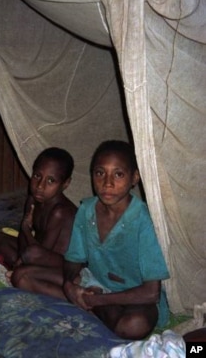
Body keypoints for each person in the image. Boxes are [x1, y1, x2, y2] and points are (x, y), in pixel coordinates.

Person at [62, 140, 170, 340]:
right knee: (25, 276)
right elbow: (73, 260)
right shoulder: (87, 210)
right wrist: (69, 285)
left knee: (133, 325)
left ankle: (92, 306)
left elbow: (151, 293)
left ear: (134, 178)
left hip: (133, 297)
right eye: (100, 173)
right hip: (95, 282)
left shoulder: (142, 219)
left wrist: (99, 300)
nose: (107, 183)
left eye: (118, 174)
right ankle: (89, 302)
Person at [0, 147, 77, 275]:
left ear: (65, 184)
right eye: (37, 176)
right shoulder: (33, 199)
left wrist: (25, 228)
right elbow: (24, 241)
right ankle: (20, 267)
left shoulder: (60, 212)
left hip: (61, 264)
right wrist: (21, 257)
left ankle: (22, 270)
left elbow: (41, 252)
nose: (40, 186)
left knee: (31, 254)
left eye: (51, 181)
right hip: (35, 252)